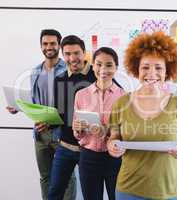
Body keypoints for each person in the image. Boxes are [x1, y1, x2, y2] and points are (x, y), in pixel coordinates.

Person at [107, 31, 177, 200]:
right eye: (145, 67)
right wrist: (112, 147)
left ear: (167, 71)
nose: (151, 73)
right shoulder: (121, 104)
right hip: (129, 190)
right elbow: (113, 138)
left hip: (168, 191)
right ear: (136, 69)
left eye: (158, 67)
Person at [6, 29, 76, 200]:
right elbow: (35, 101)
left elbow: (73, 104)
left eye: (52, 43)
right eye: (45, 43)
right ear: (41, 46)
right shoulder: (36, 71)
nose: (49, 47)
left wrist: (53, 121)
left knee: (67, 178)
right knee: (45, 177)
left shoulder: (68, 70)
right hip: (40, 134)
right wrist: (19, 107)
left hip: (62, 134)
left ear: (59, 45)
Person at [47, 35, 96, 200]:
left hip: (89, 149)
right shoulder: (59, 79)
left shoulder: (98, 75)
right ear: (62, 54)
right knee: (54, 192)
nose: (72, 58)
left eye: (76, 53)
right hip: (65, 147)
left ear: (84, 53)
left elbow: (116, 102)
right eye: (67, 54)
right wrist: (47, 122)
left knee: (91, 194)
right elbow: (59, 114)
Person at [72, 47, 125, 200]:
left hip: (115, 158)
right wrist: (77, 129)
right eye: (99, 64)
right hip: (88, 158)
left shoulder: (124, 97)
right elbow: (78, 133)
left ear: (116, 67)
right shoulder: (81, 95)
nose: (103, 69)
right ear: (93, 66)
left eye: (109, 65)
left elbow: (127, 132)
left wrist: (107, 131)